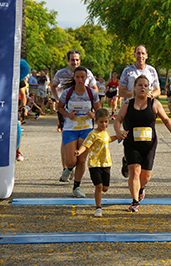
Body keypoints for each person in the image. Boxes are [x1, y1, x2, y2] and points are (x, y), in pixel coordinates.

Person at [114, 75, 171, 212]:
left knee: (146, 176)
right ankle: (135, 201)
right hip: (131, 144)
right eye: (140, 85)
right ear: (135, 88)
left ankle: (141, 188)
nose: (143, 87)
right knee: (134, 172)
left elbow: (166, 119)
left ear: (149, 88)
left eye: (145, 85)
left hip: (149, 145)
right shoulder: (128, 104)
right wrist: (118, 131)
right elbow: (118, 120)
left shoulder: (154, 104)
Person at [50, 49, 99, 182]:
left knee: (82, 141)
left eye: (77, 60)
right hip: (67, 109)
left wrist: (92, 108)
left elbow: (95, 89)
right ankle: (66, 167)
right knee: (65, 138)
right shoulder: (61, 73)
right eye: (72, 59)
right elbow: (53, 86)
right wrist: (57, 99)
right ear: (68, 60)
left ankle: (73, 167)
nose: (75, 62)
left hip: (84, 113)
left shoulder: (87, 72)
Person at [57, 66, 101, 198]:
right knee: (71, 161)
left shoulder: (92, 93)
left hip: (86, 129)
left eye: (83, 77)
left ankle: (76, 186)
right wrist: (67, 114)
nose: (80, 79)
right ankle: (69, 169)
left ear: (86, 78)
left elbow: (99, 110)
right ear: (74, 78)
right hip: (70, 129)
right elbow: (59, 107)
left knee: (81, 160)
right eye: (78, 77)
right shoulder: (67, 92)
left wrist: (93, 114)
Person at [118, 44, 161, 178]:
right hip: (130, 109)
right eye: (138, 53)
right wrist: (135, 94)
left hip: (146, 108)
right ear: (134, 55)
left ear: (146, 56)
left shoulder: (151, 70)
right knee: (129, 136)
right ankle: (127, 159)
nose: (140, 56)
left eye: (143, 53)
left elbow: (158, 90)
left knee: (145, 136)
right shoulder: (128, 71)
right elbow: (121, 90)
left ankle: (142, 164)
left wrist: (150, 96)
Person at [75, 108, 125, 216]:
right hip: (94, 163)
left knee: (105, 188)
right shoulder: (92, 134)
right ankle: (98, 208)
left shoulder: (106, 132)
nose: (104, 124)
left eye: (106, 122)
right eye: (101, 122)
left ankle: (99, 199)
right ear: (96, 121)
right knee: (98, 186)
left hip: (106, 163)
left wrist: (117, 137)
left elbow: (107, 140)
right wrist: (79, 151)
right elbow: (85, 145)